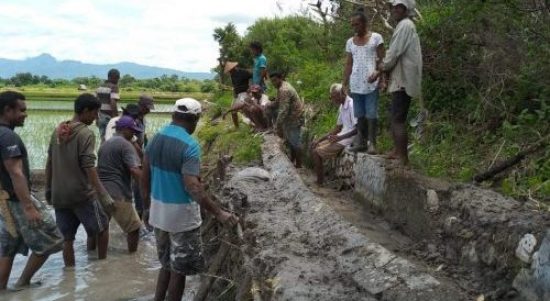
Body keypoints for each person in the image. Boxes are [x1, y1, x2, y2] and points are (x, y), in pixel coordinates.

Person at [141, 98, 239, 301]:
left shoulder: (155, 138)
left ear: (173, 116)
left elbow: (144, 176)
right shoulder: (190, 145)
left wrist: (146, 207)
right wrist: (219, 213)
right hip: (181, 218)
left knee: (166, 265)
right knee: (179, 270)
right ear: (195, 119)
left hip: (158, 213)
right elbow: (193, 187)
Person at [0, 91, 63, 290]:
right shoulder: (8, 137)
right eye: (22, 110)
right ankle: (23, 281)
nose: (25, 114)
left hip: (4, 201)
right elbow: (16, 173)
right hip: (18, 200)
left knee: (8, 247)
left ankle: (2, 289)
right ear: (7, 110)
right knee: (52, 240)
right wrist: (29, 207)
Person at [46, 93, 113, 267]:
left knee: (67, 238)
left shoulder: (58, 130)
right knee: (103, 227)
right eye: (94, 113)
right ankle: (102, 267)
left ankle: (69, 272)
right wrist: (103, 194)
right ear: (85, 110)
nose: (96, 117)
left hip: (59, 195)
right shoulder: (85, 133)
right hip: (81, 194)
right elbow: (88, 166)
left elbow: (49, 162)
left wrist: (48, 189)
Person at [381, 0, 422, 165]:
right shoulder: (405, 25)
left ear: (406, 10)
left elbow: (394, 53)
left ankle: (403, 159)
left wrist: (382, 66)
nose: (395, 10)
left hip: (403, 79)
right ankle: (398, 151)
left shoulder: (405, 25)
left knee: (397, 119)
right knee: (396, 117)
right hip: (402, 78)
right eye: (394, 7)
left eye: (400, 7)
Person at [98, 116, 143, 253]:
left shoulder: (105, 144)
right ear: (124, 129)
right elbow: (135, 170)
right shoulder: (125, 144)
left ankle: (96, 257)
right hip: (118, 194)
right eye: (132, 131)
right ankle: (132, 259)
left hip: (101, 193)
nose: (134, 135)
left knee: (101, 228)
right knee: (134, 228)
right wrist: (146, 188)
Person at [343, 11, 385, 154]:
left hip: (371, 82)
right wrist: (345, 83)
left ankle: (372, 143)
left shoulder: (376, 38)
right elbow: (349, 63)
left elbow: (383, 60)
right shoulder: (350, 42)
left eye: (357, 24)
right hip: (356, 83)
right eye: (352, 25)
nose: (354, 27)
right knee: (359, 114)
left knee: (371, 113)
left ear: (365, 23)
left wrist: (381, 77)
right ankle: (361, 142)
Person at [311, 84, 357, 185]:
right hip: (342, 137)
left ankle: (320, 181)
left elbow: (357, 129)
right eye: (332, 96)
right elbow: (337, 128)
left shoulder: (351, 104)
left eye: (334, 96)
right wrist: (319, 139)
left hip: (349, 138)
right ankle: (321, 178)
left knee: (316, 152)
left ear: (342, 94)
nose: (333, 99)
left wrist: (339, 137)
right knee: (316, 145)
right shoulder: (342, 105)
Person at [269, 72, 305, 168]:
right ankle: (293, 161)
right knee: (291, 141)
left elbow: (283, 110)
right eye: (272, 81)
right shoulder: (282, 87)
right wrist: (270, 104)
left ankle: (299, 166)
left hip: (294, 118)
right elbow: (278, 102)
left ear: (281, 78)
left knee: (295, 142)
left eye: (275, 80)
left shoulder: (284, 90)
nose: (273, 83)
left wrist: (277, 125)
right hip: (292, 117)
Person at [133, 95, 155, 218]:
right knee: (138, 182)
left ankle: (141, 208)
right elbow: (132, 141)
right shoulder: (133, 119)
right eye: (147, 107)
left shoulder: (142, 119)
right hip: (133, 156)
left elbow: (141, 137)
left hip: (140, 154)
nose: (149, 110)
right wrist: (142, 156)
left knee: (140, 182)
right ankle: (139, 210)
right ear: (140, 105)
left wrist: (146, 143)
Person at [224, 61, 252, 129]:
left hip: (245, 92)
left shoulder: (243, 72)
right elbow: (234, 86)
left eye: (230, 70)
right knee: (233, 111)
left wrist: (251, 87)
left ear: (234, 68)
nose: (230, 72)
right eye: (229, 71)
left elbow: (252, 77)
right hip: (237, 94)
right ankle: (237, 128)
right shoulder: (232, 75)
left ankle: (252, 124)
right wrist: (234, 93)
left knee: (245, 108)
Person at [96, 69, 121, 143]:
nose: (118, 80)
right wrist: (115, 118)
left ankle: (102, 153)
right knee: (110, 140)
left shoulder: (100, 87)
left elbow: (96, 102)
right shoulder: (114, 87)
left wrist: (96, 118)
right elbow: (113, 102)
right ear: (114, 77)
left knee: (103, 139)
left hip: (100, 116)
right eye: (117, 77)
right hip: (108, 117)